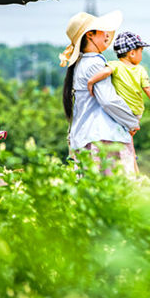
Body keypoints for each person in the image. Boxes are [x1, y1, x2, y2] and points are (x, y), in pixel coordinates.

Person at [60, 10, 140, 175]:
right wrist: (132, 121)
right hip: (104, 138)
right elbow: (109, 100)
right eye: (102, 31)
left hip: (86, 137)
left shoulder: (81, 63)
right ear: (90, 35)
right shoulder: (95, 63)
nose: (107, 35)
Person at [86, 31, 150, 119]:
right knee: (129, 129)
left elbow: (106, 72)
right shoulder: (140, 70)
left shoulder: (115, 65)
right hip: (137, 111)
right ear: (132, 53)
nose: (141, 54)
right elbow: (147, 88)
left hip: (120, 109)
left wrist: (91, 81)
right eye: (141, 51)